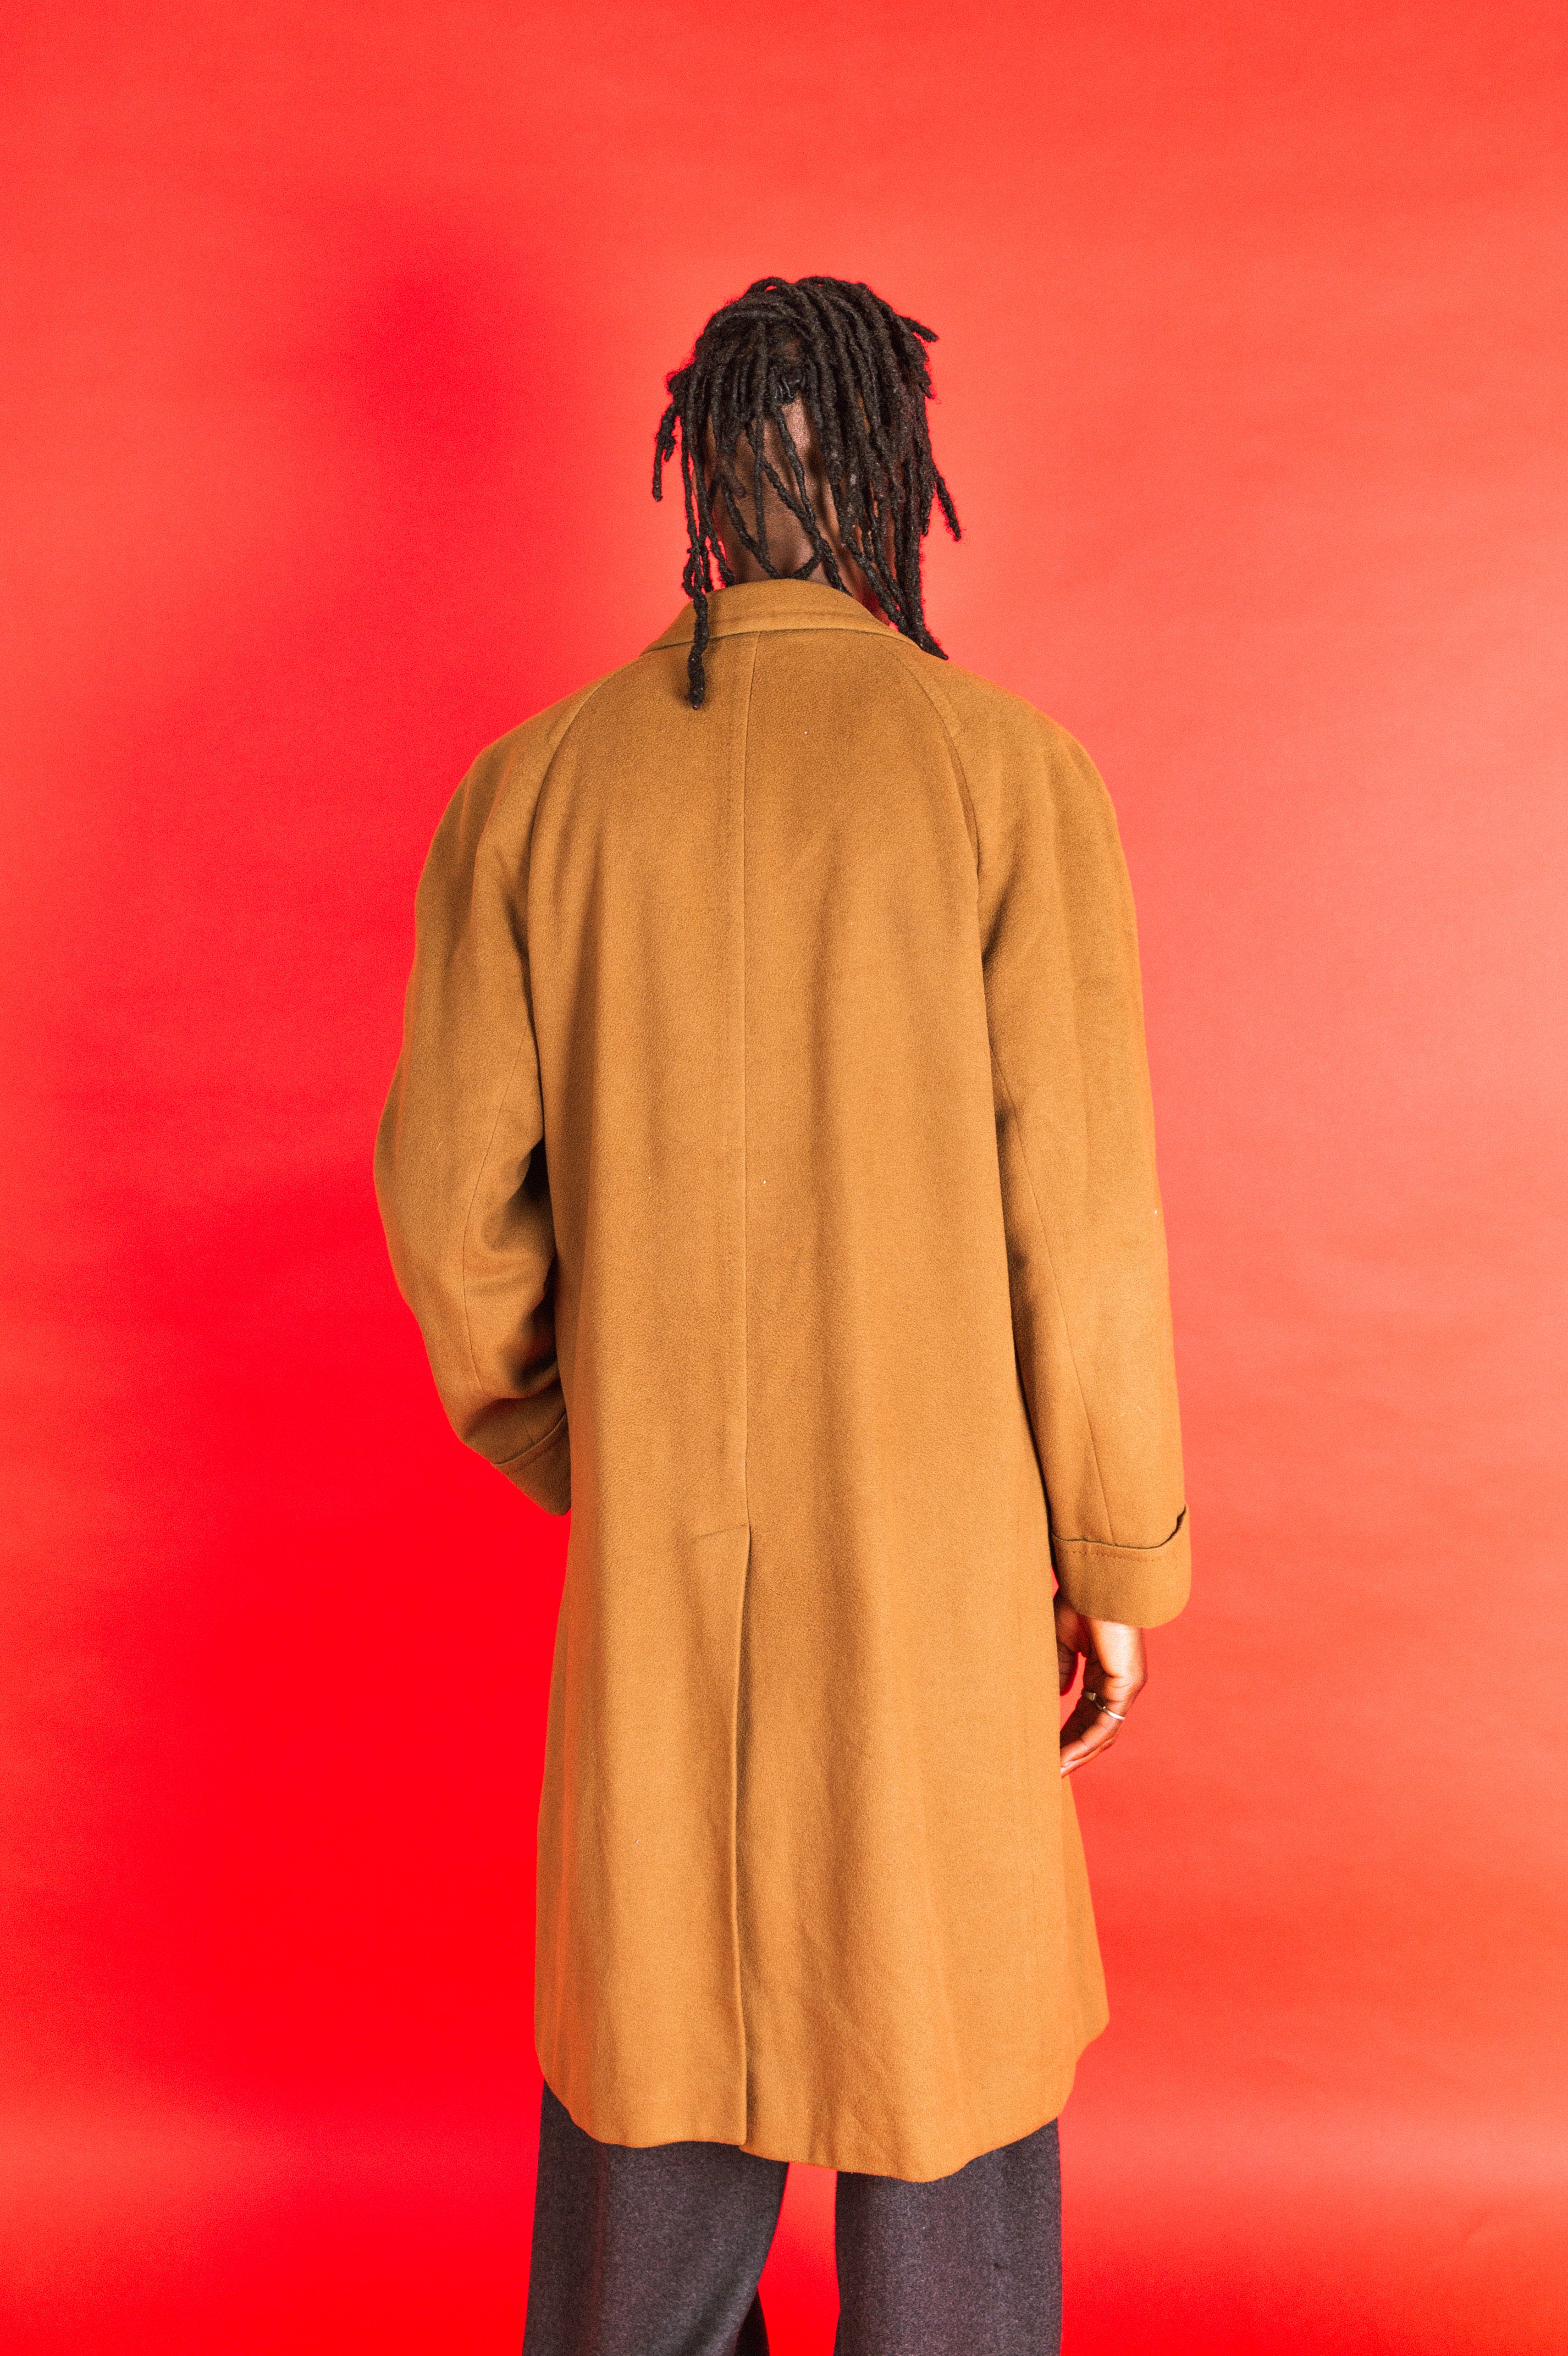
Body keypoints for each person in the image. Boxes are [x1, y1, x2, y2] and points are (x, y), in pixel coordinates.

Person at [374, 273, 1190, 2356]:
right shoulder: (1006, 777)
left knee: (652, 2067)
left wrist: (595, 1434)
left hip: (659, 1579)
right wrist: (1111, 1564)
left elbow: (449, 1214)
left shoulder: (534, 791)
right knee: (947, 2068)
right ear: (898, 486)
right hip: (933, 1581)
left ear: (705, 486)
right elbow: (1081, 1229)